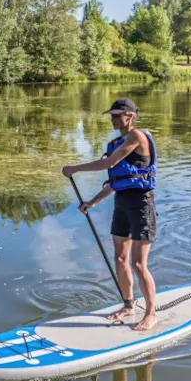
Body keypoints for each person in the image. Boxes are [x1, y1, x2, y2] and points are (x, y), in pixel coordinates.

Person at [62, 98, 158, 331]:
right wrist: (92, 202)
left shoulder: (137, 137)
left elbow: (110, 164)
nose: (113, 119)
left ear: (130, 116)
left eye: (117, 115)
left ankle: (151, 313)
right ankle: (128, 305)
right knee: (120, 259)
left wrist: (75, 168)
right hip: (122, 203)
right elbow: (116, 181)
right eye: (111, 115)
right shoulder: (115, 141)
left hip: (141, 204)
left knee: (137, 263)